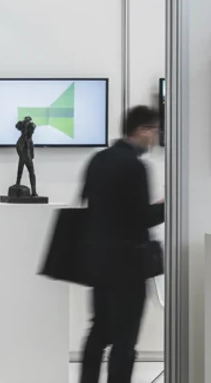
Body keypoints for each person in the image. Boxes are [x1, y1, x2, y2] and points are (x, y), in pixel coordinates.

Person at [79, 106, 164, 383]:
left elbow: (91, 206)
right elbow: (140, 218)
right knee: (125, 339)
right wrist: (166, 206)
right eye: (154, 131)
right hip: (127, 264)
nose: (154, 138)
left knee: (99, 331)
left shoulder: (99, 159)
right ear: (141, 130)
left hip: (98, 260)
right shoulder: (134, 166)